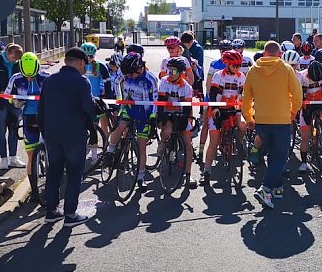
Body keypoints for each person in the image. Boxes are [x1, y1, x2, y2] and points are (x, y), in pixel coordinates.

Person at [37, 47, 98, 227]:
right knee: (73, 174)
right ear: (80, 62)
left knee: (53, 172)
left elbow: (41, 110)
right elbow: (89, 109)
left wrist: (45, 132)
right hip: (74, 135)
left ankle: (51, 211)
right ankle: (70, 214)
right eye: (84, 65)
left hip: (52, 135)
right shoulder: (82, 82)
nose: (85, 68)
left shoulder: (50, 80)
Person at [242, 41, 303, 208]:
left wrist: (248, 118)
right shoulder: (286, 69)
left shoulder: (253, 70)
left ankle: (276, 187)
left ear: (264, 53)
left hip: (261, 121)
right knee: (281, 157)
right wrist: (293, 112)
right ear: (280, 54)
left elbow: (246, 97)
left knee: (272, 155)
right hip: (281, 120)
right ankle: (266, 188)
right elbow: (297, 95)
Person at [105, 52, 159, 188]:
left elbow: (155, 101)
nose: (128, 77)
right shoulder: (127, 72)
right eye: (127, 75)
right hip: (129, 106)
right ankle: (110, 151)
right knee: (121, 125)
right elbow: (117, 82)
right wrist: (119, 101)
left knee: (141, 146)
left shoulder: (150, 79)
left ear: (140, 68)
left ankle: (140, 177)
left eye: (130, 75)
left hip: (144, 113)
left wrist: (152, 118)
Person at [200, 50, 246, 186]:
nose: (237, 68)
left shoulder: (241, 76)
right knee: (213, 142)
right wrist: (214, 108)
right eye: (234, 65)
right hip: (218, 109)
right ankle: (206, 172)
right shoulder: (218, 75)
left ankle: (239, 141)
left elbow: (243, 94)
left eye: (239, 65)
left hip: (233, 109)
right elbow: (212, 93)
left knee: (243, 125)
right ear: (227, 64)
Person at [7, 52, 50, 189]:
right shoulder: (16, 78)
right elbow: (7, 94)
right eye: (27, 76)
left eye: (33, 76)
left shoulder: (46, 77)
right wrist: (14, 100)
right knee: (31, 156)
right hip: (28, 116)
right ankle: (33, 190)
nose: (30, 79)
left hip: (47, 117)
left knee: (52, 150)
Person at [157, 57, 198, 188]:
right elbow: (161, 102)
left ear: (181, 73)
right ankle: (163, 145)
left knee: (188, 144)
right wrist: (160, 119)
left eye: (173, 71)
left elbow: (187, 108)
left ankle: (188, 174)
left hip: (182, 115)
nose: (170, 74)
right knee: (167, 130)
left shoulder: (187, 87)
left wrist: (185, 124)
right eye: (169, 70)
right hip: (168, 114)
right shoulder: (164, 81)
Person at [0, 42, 25, 169]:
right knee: (1, 130)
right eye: (13, 58)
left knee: (13, 129)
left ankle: (13, 158)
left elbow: (22, 81)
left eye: (17, 60)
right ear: (7, 53)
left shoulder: (18, 64)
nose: (15, 61)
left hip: (14, 102)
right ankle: (3, 159)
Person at [296, 60, 322, 172]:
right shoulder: (303, 76)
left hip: (321, 102)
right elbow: (301, 96)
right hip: (308, 105)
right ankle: (303, 163)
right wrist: (302, 106)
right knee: (305, 136)